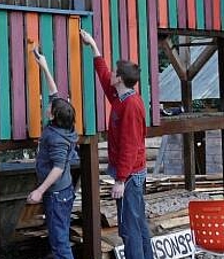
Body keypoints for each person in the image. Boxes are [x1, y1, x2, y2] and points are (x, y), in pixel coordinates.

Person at [79, 29, 154, 259]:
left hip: (130, 176)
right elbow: (103, 77)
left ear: (120, 78)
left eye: (115, 72)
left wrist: (120, 180)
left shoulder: (130, 106)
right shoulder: (122, 97)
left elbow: (130, 147)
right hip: (131, 173)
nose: (111, 73)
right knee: (138, 225)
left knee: (129, 230)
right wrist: (93, 46)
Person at [27, 47, 78, 259]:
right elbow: (54, 92)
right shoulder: (63, 125)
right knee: (59, 238)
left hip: (57, 194)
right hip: (62, 192)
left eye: (51, 107)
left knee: (60, 243)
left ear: (54, 115)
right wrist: (45, 67)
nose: (48, 106)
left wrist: (40, 191)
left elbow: (58, 168)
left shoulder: (57, 139)